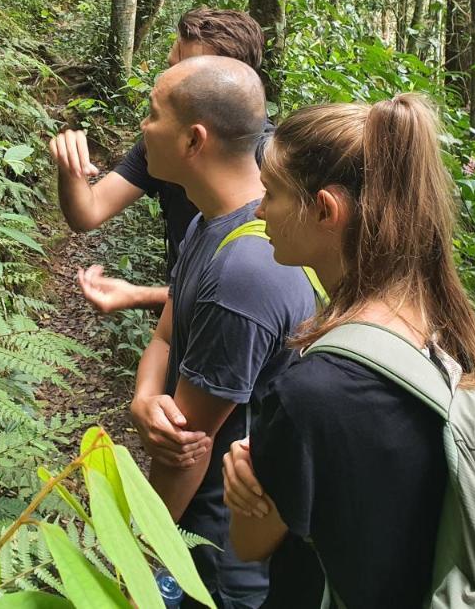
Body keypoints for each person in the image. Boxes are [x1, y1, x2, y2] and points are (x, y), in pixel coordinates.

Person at [222, 94, 475, 609]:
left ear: (326, 209)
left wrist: (243, 490)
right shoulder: (457, 338)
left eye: (272, 193)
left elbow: (249, 544)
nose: (260, 210)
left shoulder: (310, 393)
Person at [129, 56, 318, 608]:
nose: (143, 128)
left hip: (225, 555)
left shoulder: (245, 272)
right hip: (201, 529)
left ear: (193, 140)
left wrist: (133, 558)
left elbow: (186, 447)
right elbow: (166, 337)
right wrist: (145, 399)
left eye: (152, 114)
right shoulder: (209, 221)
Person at [48, 9, 267, 314]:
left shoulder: (271, 166)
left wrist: (141, 295)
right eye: (171, 66)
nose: (169, 80)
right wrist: (71, 168)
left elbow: (252, 294)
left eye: (188, 70)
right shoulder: (164, 143)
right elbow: (88, 212)